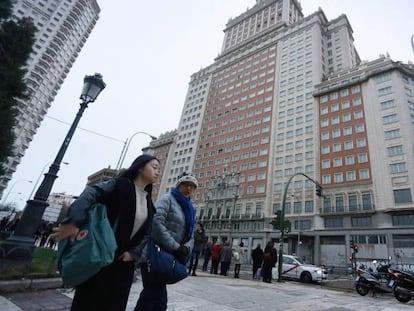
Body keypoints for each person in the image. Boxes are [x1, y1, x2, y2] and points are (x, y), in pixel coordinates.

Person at [50, 154, 161, 311]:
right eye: (154, 167)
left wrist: (133, 253)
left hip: (124, 264)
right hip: (100, 254)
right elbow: (91, 192)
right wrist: (73, 221)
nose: (157, 172)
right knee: (88, 302)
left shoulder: (149, 202)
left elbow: (147, 232)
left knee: (115, 304)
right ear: (140, 167)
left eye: (159, 169)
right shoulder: (119, 185)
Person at [135, 171, 197, 311]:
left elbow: (191, 234)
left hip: (167, 257)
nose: (189, 188)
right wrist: (176, 247)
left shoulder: (190, 209)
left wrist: (186, 248)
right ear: (178, 184)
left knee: (149, 296)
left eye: (192, 186)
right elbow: (156, 223)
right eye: (186, 184)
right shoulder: (167, 199)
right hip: (153, 255)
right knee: (158, 300)